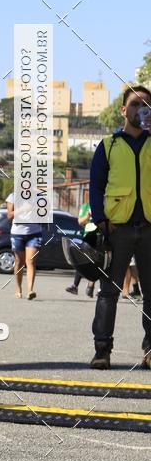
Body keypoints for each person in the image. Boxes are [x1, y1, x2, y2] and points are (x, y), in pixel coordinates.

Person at [90, 86, 151, 369]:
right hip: (119, 229)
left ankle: (150, 350)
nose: (140, 109)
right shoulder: (108, 145)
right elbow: (96, 186)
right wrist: (101, 220)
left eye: (146, 105)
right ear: (123, 110)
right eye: (135, 104)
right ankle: (102, 350)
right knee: (109, 291)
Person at [5, 191, 42, 300]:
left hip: (34, 233)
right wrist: (23, 209)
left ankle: (30, 290)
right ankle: (18, 289)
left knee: (30, 260)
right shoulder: (13, 196)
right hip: (17, 234)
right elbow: (9, 215)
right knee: (19, 261)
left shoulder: (38, 196)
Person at [65, 200, 96, 297]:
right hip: (88, 236)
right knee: (82, 260)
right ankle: (75, 286)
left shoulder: (106, 203)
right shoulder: (85, 206)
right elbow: (80, 222)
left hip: (101, 235)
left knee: (97, 262)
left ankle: (93, 287)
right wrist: (88, 215)